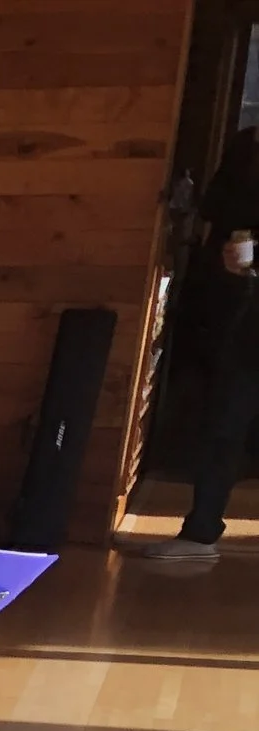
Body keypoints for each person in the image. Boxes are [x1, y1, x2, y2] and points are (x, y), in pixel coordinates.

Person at [146, 127, 259, 562]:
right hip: (241, 310)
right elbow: (214, 205)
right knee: (223, 423)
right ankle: (199, 532)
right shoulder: (247, 143)